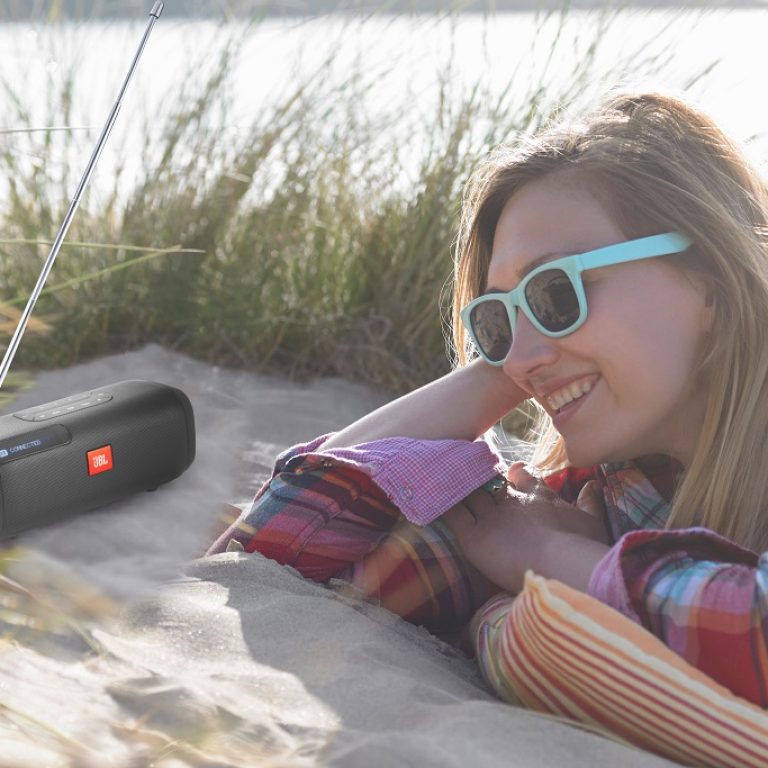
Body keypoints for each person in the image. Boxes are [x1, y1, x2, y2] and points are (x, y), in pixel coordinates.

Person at [208, 90, 768, 708]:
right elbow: (271, 561)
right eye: (497, 320)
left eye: (558, 292)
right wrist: (499, 368)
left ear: (710, 283)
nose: (522, 357)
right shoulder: (597, 495)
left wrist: (552, 558)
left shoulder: (557, 535)